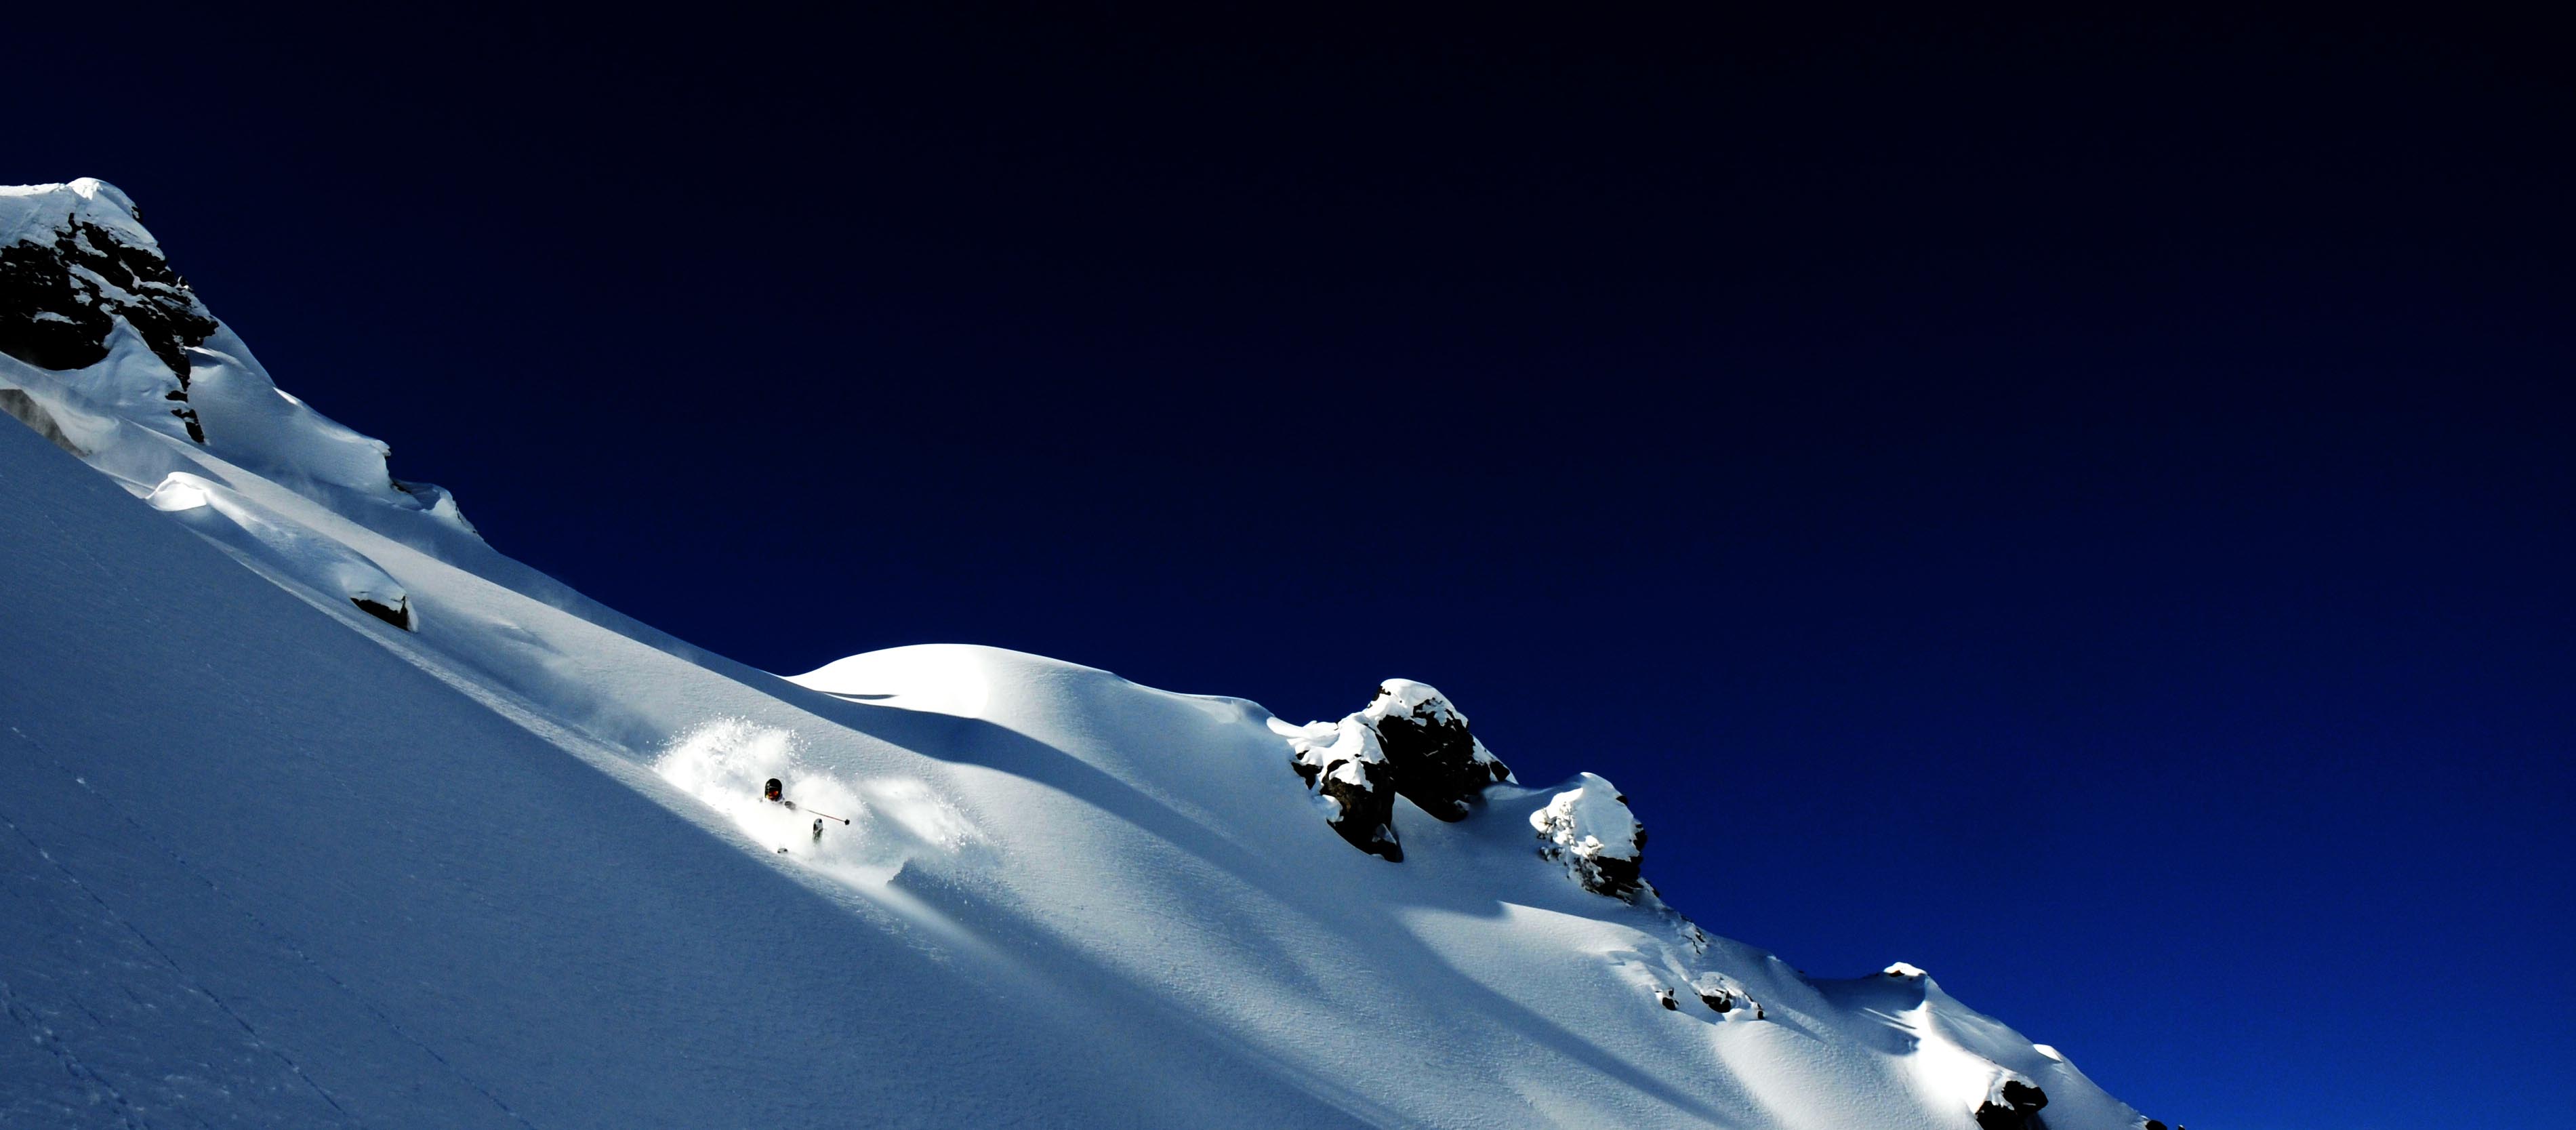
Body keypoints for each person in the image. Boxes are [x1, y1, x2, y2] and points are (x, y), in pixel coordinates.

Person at [762, 778, 825, 842]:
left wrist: (794, 808)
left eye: (775, 793)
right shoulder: (761, 803)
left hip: (786, 831)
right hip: (769, 832)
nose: (772, 797)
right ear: (766, 793)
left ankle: (812, 835)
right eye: (770, 794)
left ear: (779, 793)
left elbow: (797, 817)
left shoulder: (785, 804)